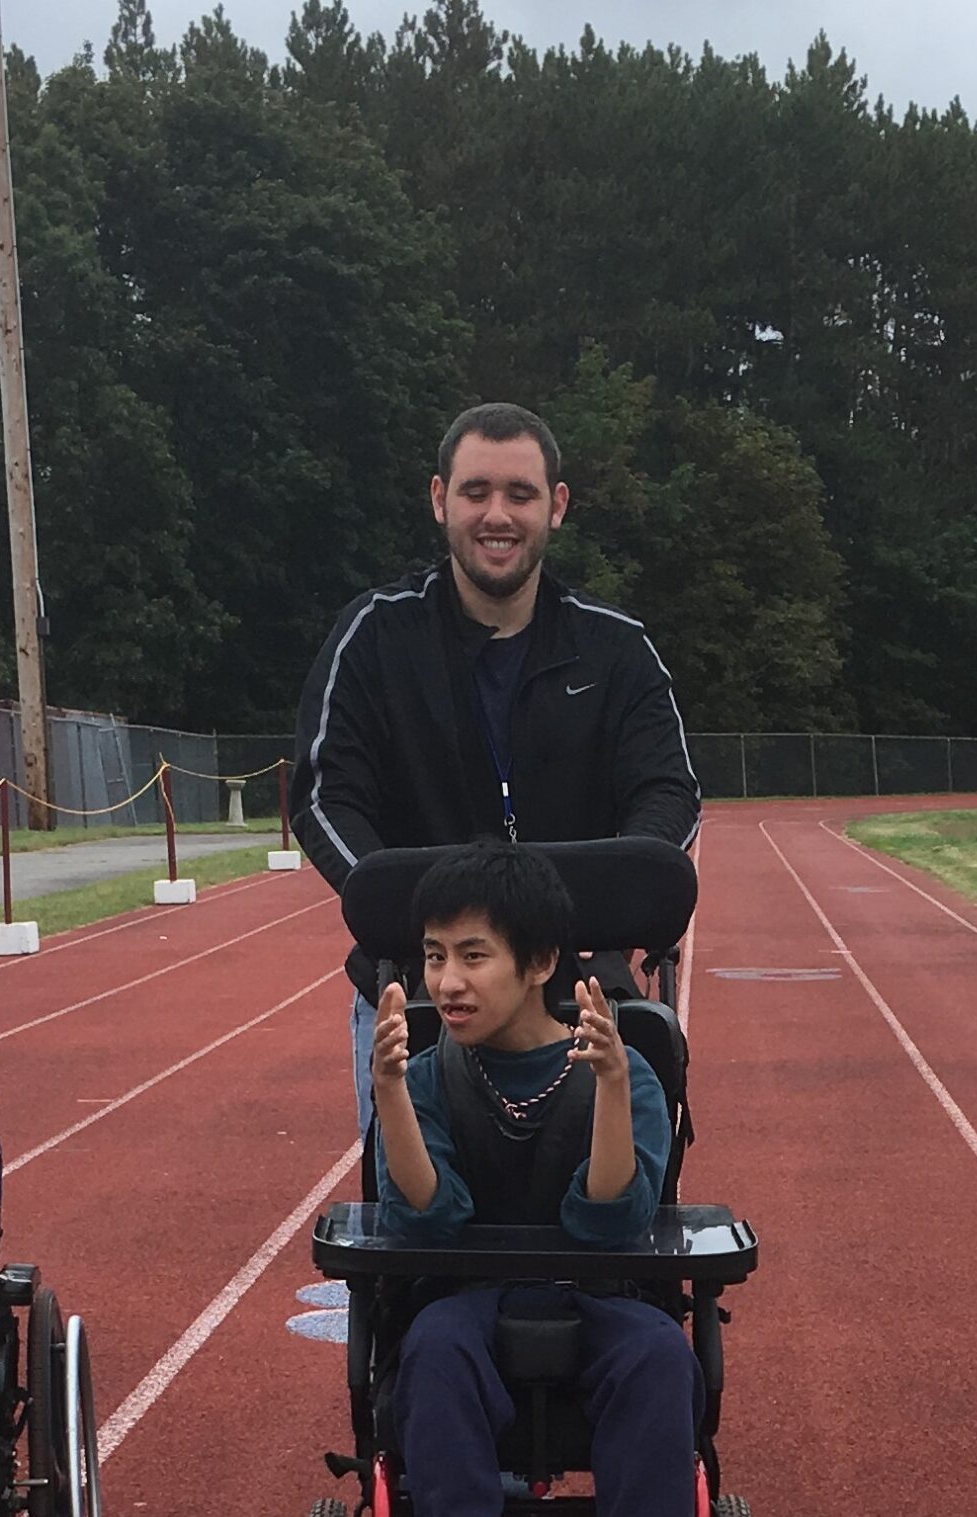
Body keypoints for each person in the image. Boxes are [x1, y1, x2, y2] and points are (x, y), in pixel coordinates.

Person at [288, 400, 702, 1140]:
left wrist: (593, 905)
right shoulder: (375, 638)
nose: (497, 515)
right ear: (440, 498)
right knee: (416, 1204)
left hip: (581, 988)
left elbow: (667, 790)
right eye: (476, 492)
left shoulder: (617, 649)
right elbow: (325, 793)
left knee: (607, 1202)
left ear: (557, 506)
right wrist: (423, 919)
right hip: (422, 986)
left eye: (521, 494)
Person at [370, 843, 702, 1517]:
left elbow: (610, 1221)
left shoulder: (622, 1069)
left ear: (541, 963)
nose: (448, 982)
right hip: (467, 1302)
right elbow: (427, 1218)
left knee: (661, 1354)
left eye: (473, 956)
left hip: (595, 1298)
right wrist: (392, 1094)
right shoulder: (431, 1074)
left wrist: (612, 1088)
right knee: (432, 1348)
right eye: (434, 957)